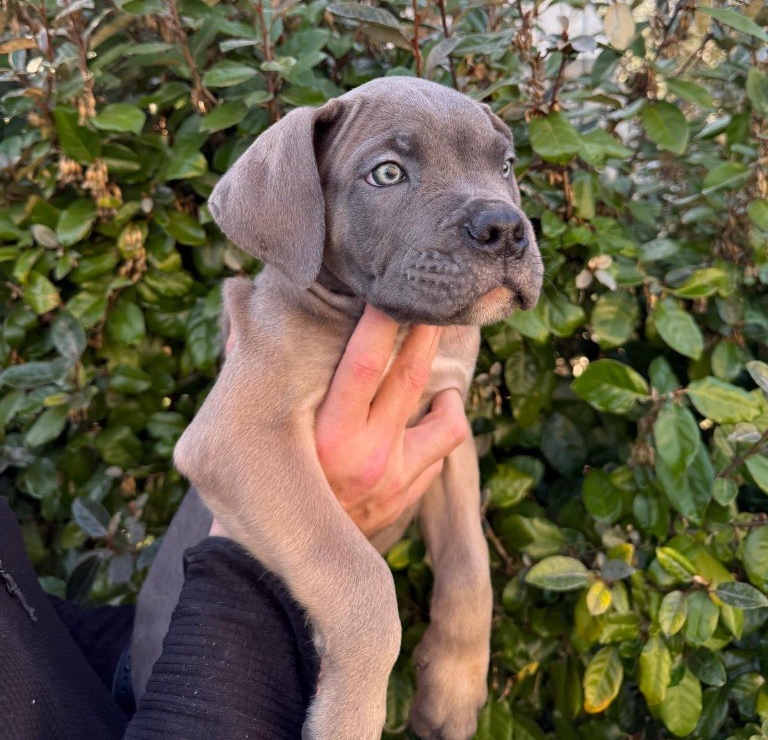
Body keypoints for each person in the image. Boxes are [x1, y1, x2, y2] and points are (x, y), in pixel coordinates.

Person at [1, 306, 468, 740]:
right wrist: (281, 554)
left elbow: (27, 627)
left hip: (143, 674)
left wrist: (146, 651)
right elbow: (208, 447)